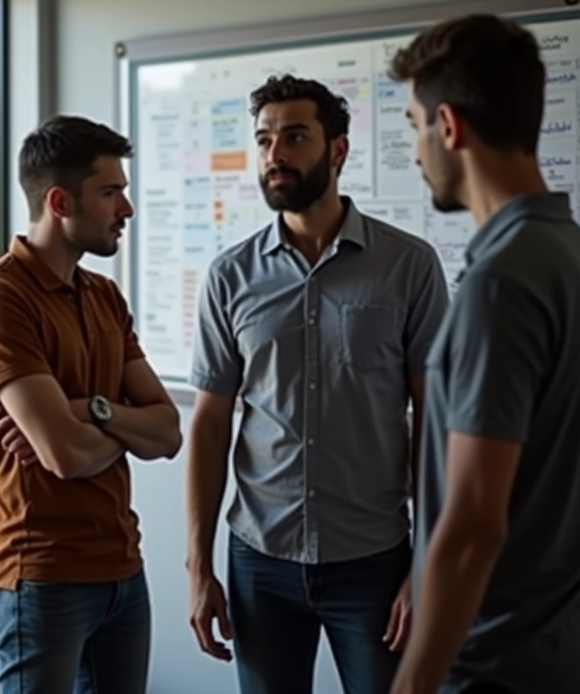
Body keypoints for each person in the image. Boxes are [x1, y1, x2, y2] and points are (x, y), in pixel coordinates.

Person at [186, 73, 449, 694]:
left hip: (375, 562)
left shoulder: (409, 266)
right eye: (264, 139)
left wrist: (426, 562)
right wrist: (199, 565)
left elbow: (433, 420)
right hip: (259, 562)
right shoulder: (229, 276)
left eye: (295, 136)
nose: (275, 153)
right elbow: (210, 425)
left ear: (338, 149)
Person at [387, 14, 580, 694]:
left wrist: (412, 684)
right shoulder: (568, 252)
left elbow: (472, 524)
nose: (416, 153)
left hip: (493, 667)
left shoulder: (501, 283)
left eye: (414, 125)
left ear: (448, 126)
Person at [0, 115, 182, 694]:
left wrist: (89, 410)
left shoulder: (105, 296)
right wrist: (113, 428)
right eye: (110, 193)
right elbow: (64, 455)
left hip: (123, 571)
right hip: (42, 578)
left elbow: (168, 433)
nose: (126, 209)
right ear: (60, 202)